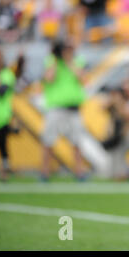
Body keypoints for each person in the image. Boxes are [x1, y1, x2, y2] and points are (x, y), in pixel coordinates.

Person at [40, 40, 88, 181]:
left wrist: (68, 61)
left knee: (77, 142)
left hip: (73, 108)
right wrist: (55, 59)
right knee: (48, 141)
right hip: (56, 108)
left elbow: (81, 78)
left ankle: (79, 172)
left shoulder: (77, 61)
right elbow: (49, 78)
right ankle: (45, 172)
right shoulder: (51, 61)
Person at [0, 47, 16, 181]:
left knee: (2, 147)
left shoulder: (6, 74)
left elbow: (1, 92)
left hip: (1, 117)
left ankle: (4, 174)